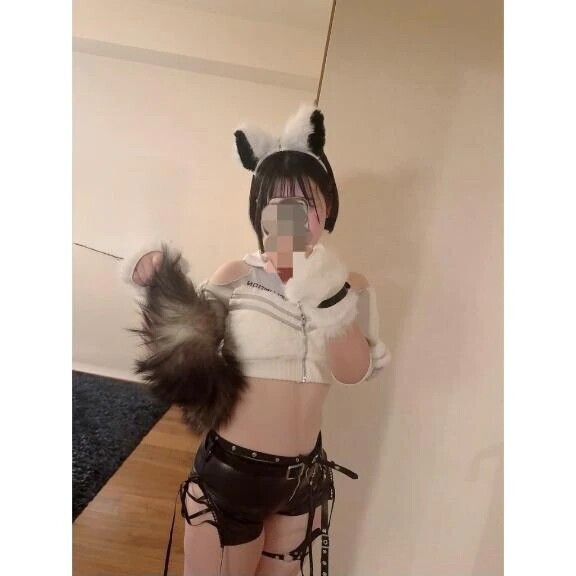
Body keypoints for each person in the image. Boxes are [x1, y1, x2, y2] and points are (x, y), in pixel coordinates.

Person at [122, 104, 391, 576]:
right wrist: (159, 284)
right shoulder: (236, 275)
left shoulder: (352, 286)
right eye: (278, 203)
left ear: (326, 207)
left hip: (303, 479)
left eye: (305, 202)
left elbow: (353, 373)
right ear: (260, 212)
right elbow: (185, 355)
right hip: (232, 476)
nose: (292, 214)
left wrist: (326, 294)